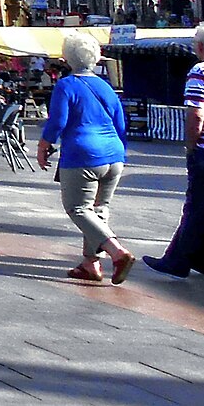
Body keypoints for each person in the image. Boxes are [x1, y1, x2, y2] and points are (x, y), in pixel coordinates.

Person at [145, 23, 204, 279]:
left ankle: (178, 262)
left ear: (200, 47)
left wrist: (191, 147)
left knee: (198, 208)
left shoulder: (200, 71)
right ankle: (199, 259)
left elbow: (195, 115)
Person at [37, 32, 134, 283]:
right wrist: (119, 152)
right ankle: (91, 264)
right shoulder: (106, 86)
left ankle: (116, 252)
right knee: (99, 208)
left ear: (67, 57)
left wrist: (44, 145)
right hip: (113, 155)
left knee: (78, 208)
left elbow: (58, 121)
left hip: (83, 154)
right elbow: (121, 124)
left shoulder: (66, 85)